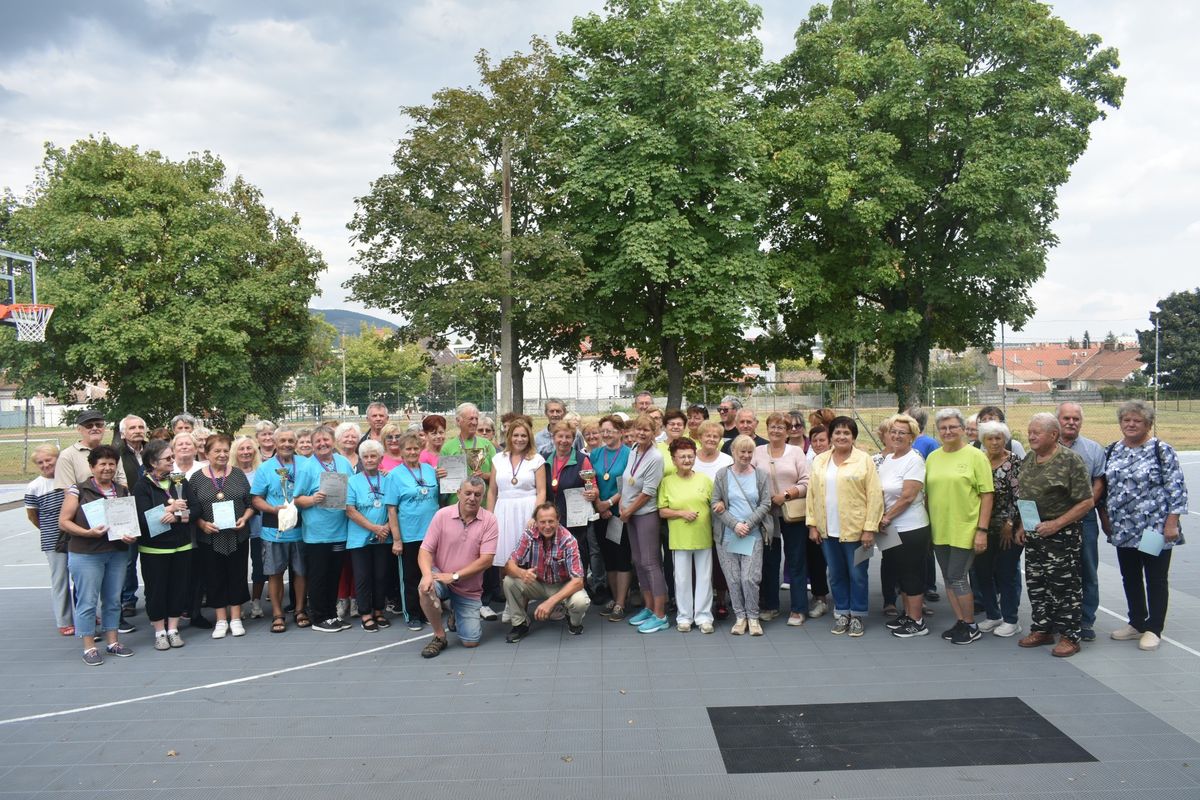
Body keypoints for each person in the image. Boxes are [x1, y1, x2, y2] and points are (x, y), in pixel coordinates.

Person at [1100, 400, 1189, 653]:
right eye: (1126, 420)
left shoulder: (1161, 450)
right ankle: (1136, 622)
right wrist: (1106, 519)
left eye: (1136, 420)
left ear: (1148, 424)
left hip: (1153, 529)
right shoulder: (1112, 450)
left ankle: (1154, 628)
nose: (1130, 424)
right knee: (1130, 577)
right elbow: (1105, 489)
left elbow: (1176, 488)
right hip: (1124, 529)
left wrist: (1172, 523)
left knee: (1155, 578)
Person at [1015, 413, 1094, 658]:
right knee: (1037, 584)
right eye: (1030, 431)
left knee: (1065, 586)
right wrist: (1021, 526)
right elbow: (1026, 496)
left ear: (1053, 435)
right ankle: (1042, 629)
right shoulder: (1029, 459)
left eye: (1037, 432)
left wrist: (1057, 524)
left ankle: (1070, 636)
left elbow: (1087, 502)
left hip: (1062, 536)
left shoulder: (1071, 461)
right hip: (1034, 534)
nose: (1031, 436)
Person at [59, 445, 137, 665]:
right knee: (87, 601)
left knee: (113, 600)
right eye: (102, 464)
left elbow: (127, 522)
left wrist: (129, 535)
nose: (107, 468)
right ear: (92, 466)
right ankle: (89, 647)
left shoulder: (122, 490)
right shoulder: (78, 490)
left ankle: (113, 642)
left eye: (111, 464)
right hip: (86, 554)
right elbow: (63, 522)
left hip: (117, 553)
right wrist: (87, 533)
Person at [807, 417, 882, 637]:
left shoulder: (864, 460)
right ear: (831, 436)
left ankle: (857, 614)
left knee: (858, 574)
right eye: (837, 433)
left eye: (846, 433)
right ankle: (842, 612)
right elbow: (812, 494)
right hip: (827, 530)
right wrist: (812, 525)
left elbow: (875, 495)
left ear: (853, 437)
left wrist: (869, 528)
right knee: (837, 574)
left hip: (858, 531)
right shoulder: (820, 460)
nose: (841, 437)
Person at [925, 408, 994, 645]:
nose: (948, 431)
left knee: (957, 577)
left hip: (965, 528)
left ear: (963, 429)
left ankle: (971, 625)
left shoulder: (976, 456)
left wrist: (981, 530)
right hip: (939, 529)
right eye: (943, 428)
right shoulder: (933, 457)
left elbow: (987, 494)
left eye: (953, 427)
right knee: (948, 577)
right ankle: (961, 621)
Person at [417, 477, 498, 658]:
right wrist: (427, 574)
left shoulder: (490, 520)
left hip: (468, 588)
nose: (472, 498)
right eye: (467, 493)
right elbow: (425, 550)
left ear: (483, 497)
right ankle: (439, 636)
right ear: (458, 494)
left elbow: (487, 560)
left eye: (477, 495)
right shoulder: (442, 515)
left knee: (471, 641)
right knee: (424, 588)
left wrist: (454, 576)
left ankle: (455, 611)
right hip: (440, 577)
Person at [189, 435, 255, 639]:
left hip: (237, 536)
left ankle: (235, 618)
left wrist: (244, 518)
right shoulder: (196, 478)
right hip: (210, 538)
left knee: (237, 574)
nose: (222, 454)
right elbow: (192, 509)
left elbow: (251, 503)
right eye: (217, 451)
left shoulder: (237, 474)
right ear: (207, 454)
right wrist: (202, 524)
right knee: (214, 577)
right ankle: (220, 619)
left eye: (226, 450)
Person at [133, 439, 196, 650]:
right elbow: (142, 519)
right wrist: (167, 510)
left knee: (179, 588)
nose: (172, 461)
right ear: (152, 461)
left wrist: (178, 516)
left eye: (172, 457)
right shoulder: (141, 486)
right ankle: (160, 631)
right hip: (154, 548)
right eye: (167, 458)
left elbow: (196, 510)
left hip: (182, 546)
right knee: (156, 590)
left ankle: (173, 629)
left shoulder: (180, 481)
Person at [877, 414, 933, 639]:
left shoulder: (914, 459)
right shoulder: (889, 459)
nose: (897, 436)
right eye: (893, 431)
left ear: (912, 437)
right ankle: (908, 614)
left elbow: (908, 496)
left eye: (902, 432)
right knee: (900, 573)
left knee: (912, 574)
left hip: (911, 528)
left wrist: (886, 517)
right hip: (890, 527)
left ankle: (917, 621)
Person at [502, 503, 591, 641]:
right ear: (536, 522)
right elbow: (509, 565)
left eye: (551, 521)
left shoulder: (568, 540)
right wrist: (522, 573)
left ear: (558, 520)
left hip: (563, 585)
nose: (547, 526)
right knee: (509, 581)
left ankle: (574, 622)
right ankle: (520, 624)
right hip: (537, 583)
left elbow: (578, 581)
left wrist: (551, 602)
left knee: (581, 602)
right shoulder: (529, 534)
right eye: (542, 522)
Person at [295, 425, 354, 633]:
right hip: (317, 533)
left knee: (334, 574)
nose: (322, 444)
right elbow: (297, 499)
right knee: (319, 575)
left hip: (339, 530)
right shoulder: (306, 467)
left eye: (326, 440)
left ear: (333, 441)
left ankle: (331, 615)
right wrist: (313, 499)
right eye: (317, 441)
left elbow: (354, 488)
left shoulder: (344, 463)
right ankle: (319, 617)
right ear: (312, 444)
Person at [487, 417, 547, 621]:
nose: (519, 439)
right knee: (505, 560)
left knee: (525, 561)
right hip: (503, 510)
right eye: (515, 435)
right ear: (509, 436)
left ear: (529, 437)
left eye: (523, 435)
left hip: (527, 511)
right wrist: (489, 517)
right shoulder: (498, 459)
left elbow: (541, 491)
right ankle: (509, 603)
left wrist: (536, 515)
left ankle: (520, 607)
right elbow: (492, 492)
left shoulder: (536, 460)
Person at [712, 435, 773, 635]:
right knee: (733, 578)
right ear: (733, 452)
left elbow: (766, 503)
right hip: (728, 535)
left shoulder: (761, 475)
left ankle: (753, 617)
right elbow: (715, 503)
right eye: (742, 452)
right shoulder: (722, 475)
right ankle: (740, 617)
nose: (746, 456)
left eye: (749, 452)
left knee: (750, 578)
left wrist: (747, 524)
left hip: (752, 534)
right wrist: (734, 524)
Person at [754, 412, 810, 625]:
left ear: (787, 432)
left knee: (795, 559)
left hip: (792, 512)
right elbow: (749, 476)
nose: (776, 430)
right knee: (769, 560)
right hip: (766, 514)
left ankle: (798, 608)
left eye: (781, 427)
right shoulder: (758, 452)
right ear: (766, 428)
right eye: (772, 426)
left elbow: (807, 480)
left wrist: (786, 494)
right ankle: (770, 605)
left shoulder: (795, 452)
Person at [1056, 401, 1106, 642]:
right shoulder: (1045, 447)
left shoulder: (1094, 449)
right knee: (1056, 570)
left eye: (1076, 419)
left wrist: (1084, 506)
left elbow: (1099, 483)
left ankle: (1085, 620)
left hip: (1084, 518)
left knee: (1087, 569)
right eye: (1066, 418)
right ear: (1058, 420)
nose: (1071, 422)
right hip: (1053, 519)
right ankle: (1059, 616)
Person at [251, 427, 308, 633]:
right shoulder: (265, 468)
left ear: (295, 443)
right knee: (275, 573)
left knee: (301, 572)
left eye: (290, 440)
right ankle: (277, 613)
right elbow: (256, 498)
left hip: (301, 528)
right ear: (275, 443)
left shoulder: (305, 463)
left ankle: (301, 610)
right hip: (273, 529)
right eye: (282, 440)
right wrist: (273, 509)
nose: (286, 444)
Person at [658, 438, 714, 632]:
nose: (687, 460)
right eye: (682, 456)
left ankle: (704, 616)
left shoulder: (705, 480)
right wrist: (681, 513)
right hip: (680, 538)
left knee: (705, 577)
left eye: (690, 456)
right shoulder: (667, 482)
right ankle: (684, 617)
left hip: (703, 536)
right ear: (673, 459)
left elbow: (714, 505)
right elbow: (662, 511)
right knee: (681, 578)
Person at [386, 432, 441, 630]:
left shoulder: (428, 470)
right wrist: (397, 539)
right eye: (408, 449)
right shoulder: (394, 476)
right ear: (401, 452)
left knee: (432, 574)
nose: (412, 452)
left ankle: (429, 610)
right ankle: (413, 614)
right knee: (410, 577)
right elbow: (391, 509)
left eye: (415, 448)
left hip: (432, 534)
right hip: (410, 535)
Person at [973, 420, 1023, 639]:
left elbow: (1020, 496)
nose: (994, 442)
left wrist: (1011, 524)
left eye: (998, 438)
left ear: (1005, 439)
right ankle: (993, 614)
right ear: (982, 440)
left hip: (1007, 529)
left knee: (1006, 573)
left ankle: (1011, 619)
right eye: (989, 438)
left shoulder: (1014, 462)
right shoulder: (978, 460)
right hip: (981, 527)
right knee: (982, 572)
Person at [621, 414, 669, 633]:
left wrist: (628, 510)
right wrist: (624, 507)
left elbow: (648, 492)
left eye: (646, 430)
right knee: (638, 561)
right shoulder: (633, 450)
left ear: (653, 432)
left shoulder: (655, 457)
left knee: (650, 563)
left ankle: (660, 615)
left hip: (644, 515)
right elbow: (629, 482)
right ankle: (649, 608)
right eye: (638, 429)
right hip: (630, 515)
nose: (641, 433)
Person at [345, 440, 396, 631]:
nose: (369, 460)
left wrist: (386, 528)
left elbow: (395, 507)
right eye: (365, 456)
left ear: (381, 458)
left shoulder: (389, 479)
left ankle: (379, 611)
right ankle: (365, 613)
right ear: (360, 459)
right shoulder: (352, 481)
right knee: (363, 576)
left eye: (373, 456)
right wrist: (375, 528)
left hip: (384, 536)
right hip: (360, 538)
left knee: (381, 575)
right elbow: (350, 510)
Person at [25, 444, 72, 635]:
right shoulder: (34, 487)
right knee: (60, 580)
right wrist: (51, 531)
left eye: (48, 460)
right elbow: (32, 515)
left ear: (57, 459)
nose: (45, 464)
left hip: (76, 537)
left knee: (82, 580)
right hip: (53, 541)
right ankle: (64, 621)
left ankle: (87, 614)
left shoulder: (68, 479)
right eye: (40, 462)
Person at [590, 414, 632, 620]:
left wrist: (609, 503)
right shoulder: (596, 454)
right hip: (600, 513)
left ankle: (621, 603)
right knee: (609, 560)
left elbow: (629, 485)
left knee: (622, 558)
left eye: (610, 431)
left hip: (620, 514)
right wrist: (599, 504)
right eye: (603, 431)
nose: (606, 434)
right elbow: (592, 481)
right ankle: (615, 599)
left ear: (621, 432)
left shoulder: (629, 454)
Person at [693, 419, 734, 621]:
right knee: (698, 560)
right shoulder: (692, 459)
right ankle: (699, 602)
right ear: (699, 437)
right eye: (707, 435)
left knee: (720, 561)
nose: (711, 439)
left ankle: (721, 600)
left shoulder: (727, 460)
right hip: (695, 518)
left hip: (721, 519)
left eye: (715, 436)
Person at [115, 414, 148, 616]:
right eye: (132, 428)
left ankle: (155, 594)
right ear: (123, 433)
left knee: (152, 557)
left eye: (140, 427)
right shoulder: (115, 454)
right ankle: (128, 599)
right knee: (128, 560)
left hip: (152, 511)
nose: (137, 430)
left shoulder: (154, 451)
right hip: (127, 512)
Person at [233, 435, 266, 619]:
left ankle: (256, 601)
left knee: (259, 565)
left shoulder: (262, 471)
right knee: (238, 567)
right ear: (235, 452)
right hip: (236, 527)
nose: (245, 452)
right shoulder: (229, 472)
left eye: (249, 448)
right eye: (241, 448)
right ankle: (238, 604)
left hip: (258, 526)